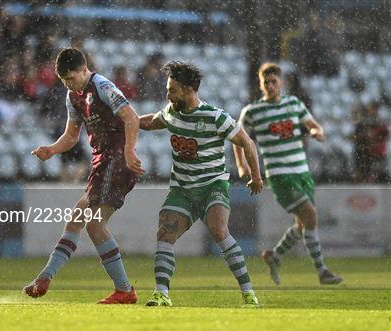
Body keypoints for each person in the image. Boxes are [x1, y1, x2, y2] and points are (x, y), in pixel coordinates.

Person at [23, 48, 144, 304]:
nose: (69, 83)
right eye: (64, 80)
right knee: (76, 220)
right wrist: (52, 149)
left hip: (116, 159)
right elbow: (70, 136)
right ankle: (45, 278)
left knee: (95, 224)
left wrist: (129, 150)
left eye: (72, 78)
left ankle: (124, 290)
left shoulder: (102, 85)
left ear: (84, 69)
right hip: (102, 161)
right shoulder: (72, 96)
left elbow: (131, 117)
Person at [139, 61, 262, 308]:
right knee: (165, 233)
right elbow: (151, 121)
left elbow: (247, 143)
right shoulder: (171, 112)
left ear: (187, 90)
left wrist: (255, 176)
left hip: (212, 186)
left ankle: (248, 293)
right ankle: (161, 293)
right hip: (182, 189)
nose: (168, 94)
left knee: (219, 230)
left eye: (172, 89)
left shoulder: (215, 117)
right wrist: (126, 118)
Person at [233, 63, 342, 285]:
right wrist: (242, 165)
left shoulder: (294, 104)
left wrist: (315, 131)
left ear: (282, 83)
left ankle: (274, 256)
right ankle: (322, 271)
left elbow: (314, 125)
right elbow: (237, 137)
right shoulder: (252, 111)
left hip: (303, 172)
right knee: (311, 216)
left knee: (303, 224)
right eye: (266, 82)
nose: (270, 85)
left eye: (274, 81)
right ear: (261, 84)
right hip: (280, 175)